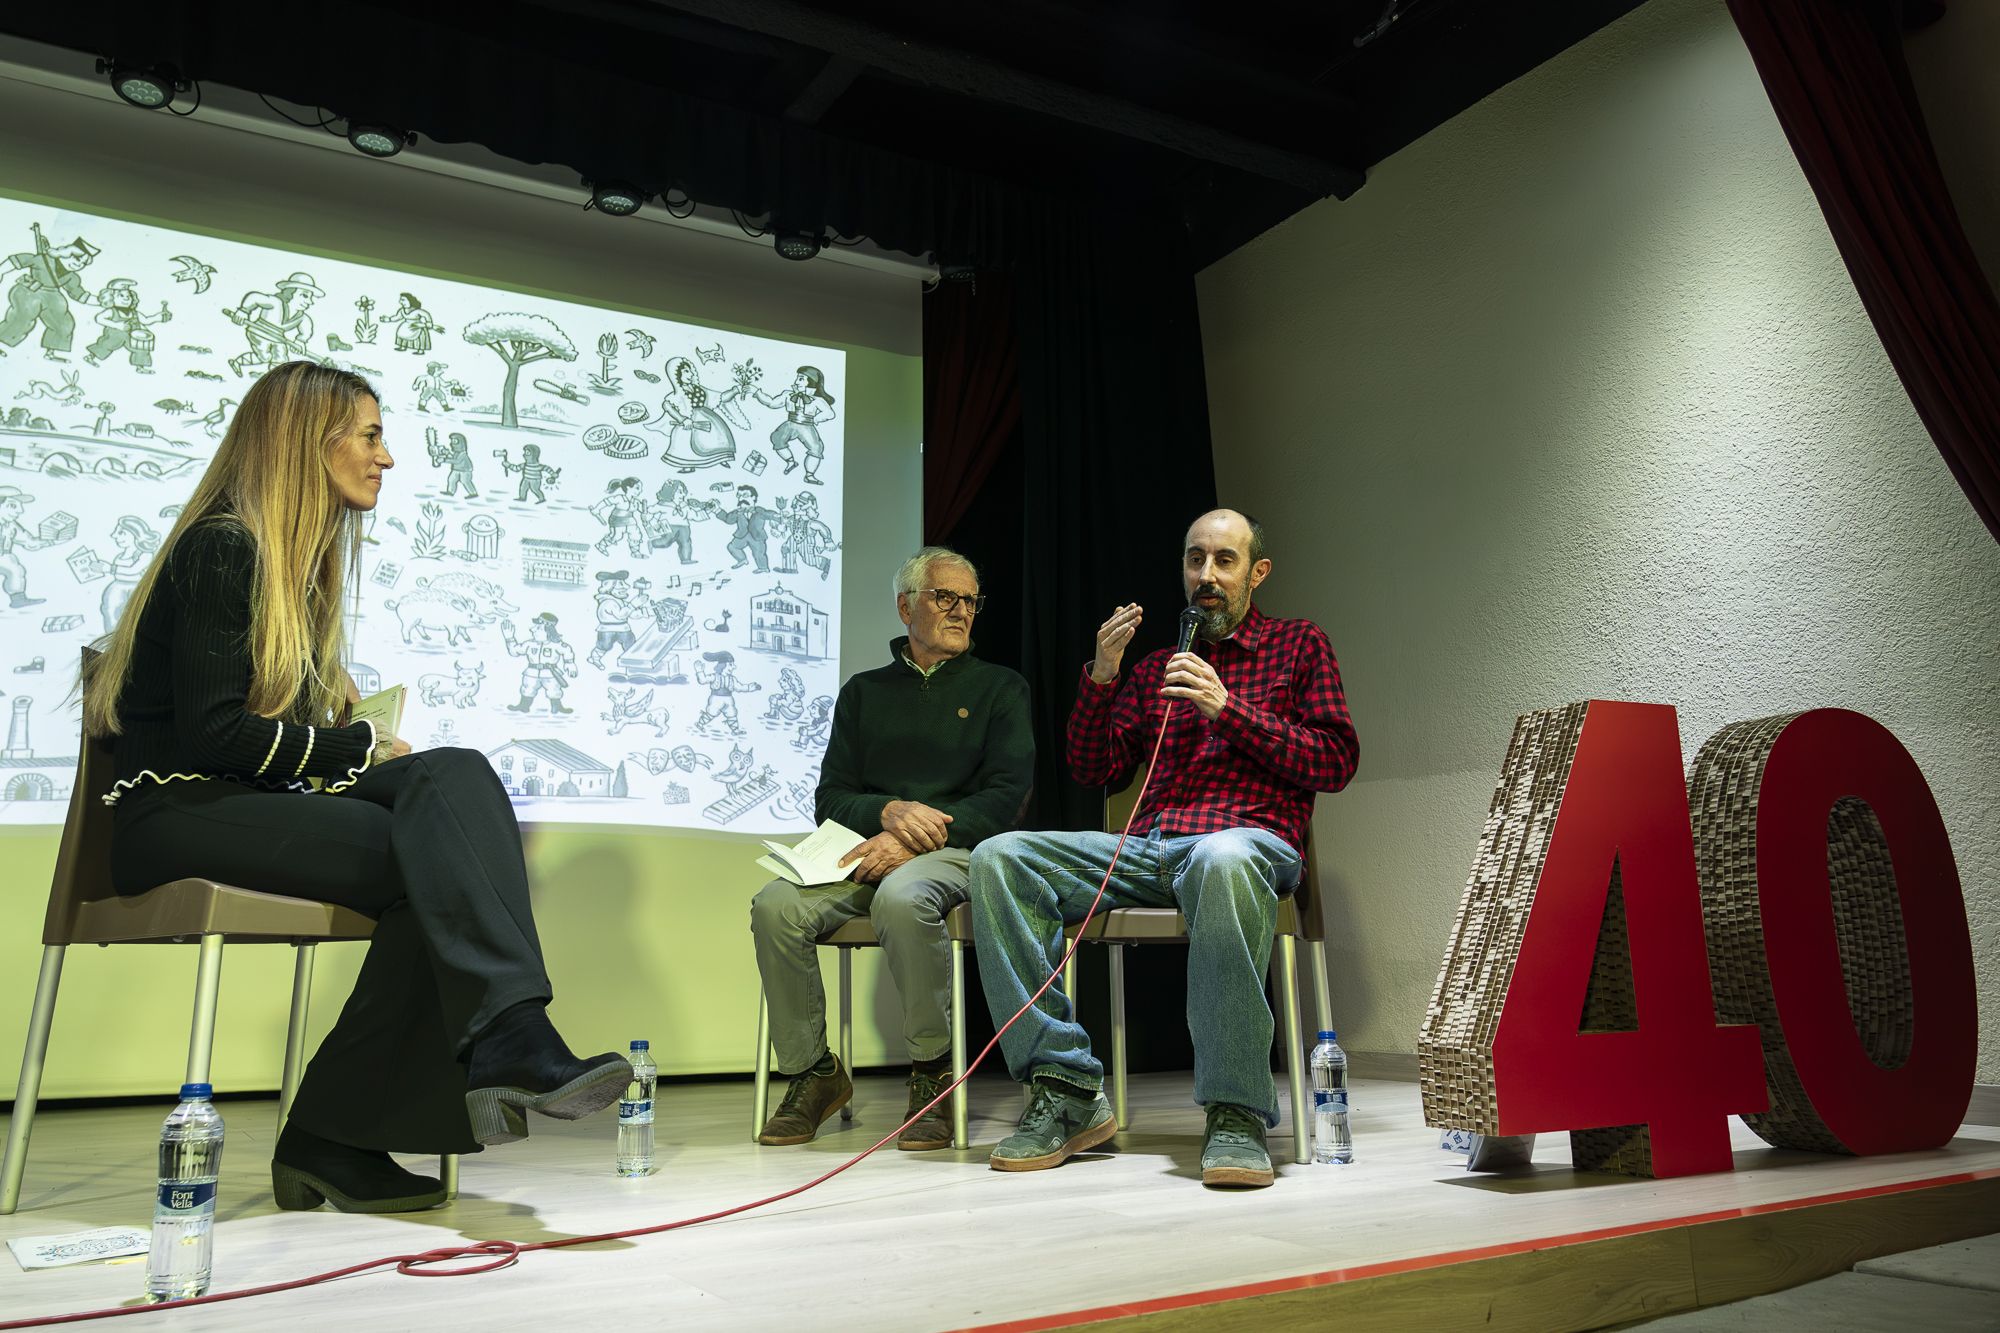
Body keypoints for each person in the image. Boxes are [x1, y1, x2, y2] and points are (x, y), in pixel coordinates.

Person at [80, 360, 628, 1215]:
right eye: (370, 436)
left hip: (237, 804)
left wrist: (340, 729)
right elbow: (215, 736)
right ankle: (482, 1049)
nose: (387, 457)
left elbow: (262, 740)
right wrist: (356, 744)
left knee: (453, 776)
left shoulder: (291, 575)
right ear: (309, 441)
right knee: (435, 856)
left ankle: (375, 1113)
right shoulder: (223, 546)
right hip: (173, 810)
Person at [968, 509, 1358, 1189]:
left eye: (1225, 560)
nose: (1207, 574)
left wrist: (1228, 710)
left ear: (1257, 573)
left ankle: (1235, 1112)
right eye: (1195, 558)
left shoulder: (1299, 645)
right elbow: (1093, 767)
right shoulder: (1157, 666)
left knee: (1221, 856)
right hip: (1150, 849)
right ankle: (1065, 1087)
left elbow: (1335, 760)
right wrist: (1103, 675)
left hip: (1246, 845)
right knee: (1000, 857)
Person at [752, 547, 1033, 1149]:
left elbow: (1007, 797)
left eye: (971, 601)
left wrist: (917, 836)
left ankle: (933, 1073)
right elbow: (830, 798)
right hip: (867, 850)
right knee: (775, 906)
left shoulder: (1000, 688)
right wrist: (887, 814)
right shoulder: (863, 692)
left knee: (903, 899)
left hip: (958, 849)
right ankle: (813, 1074)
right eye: (945, 597)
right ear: (906, 607)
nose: (961, 611)